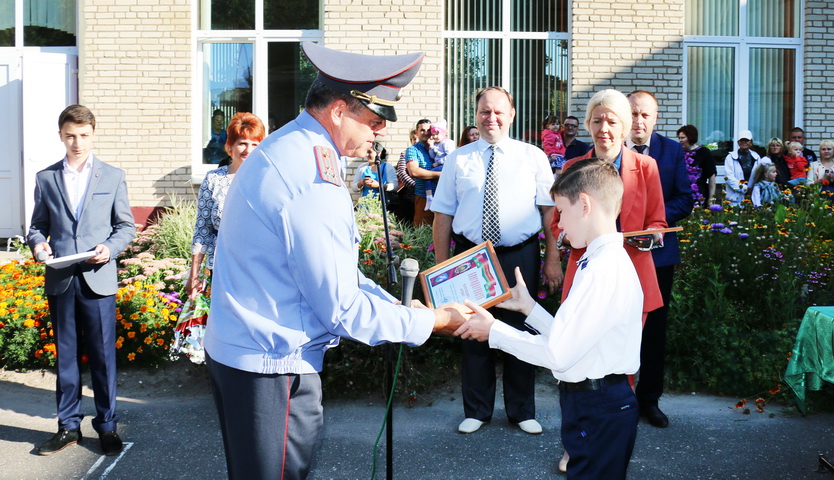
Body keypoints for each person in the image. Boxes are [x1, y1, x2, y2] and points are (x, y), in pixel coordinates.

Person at [202, 42, 466, 480]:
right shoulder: (312, 176)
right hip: (274, 369)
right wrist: (431, 322)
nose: (380, 130)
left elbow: (334, 274)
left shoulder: (291, 144)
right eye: (375, 119)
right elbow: (342, 307)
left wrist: (397, 308)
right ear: (340, 110)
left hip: (247, 356)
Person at [455, 158, 643, 480]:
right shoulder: (601, 260)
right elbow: (571, 339)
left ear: (584, 204)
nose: (558, 225)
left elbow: (559, 354)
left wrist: (494, 332)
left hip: (598, 405)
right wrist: (530, 309)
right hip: (596, 402)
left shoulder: (602, 269)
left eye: (561, 211)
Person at [431, 86, 561, 436]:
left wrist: (553, 259)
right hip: (470, 258)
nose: (492, 118)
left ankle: (521, 411)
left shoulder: (532, 156)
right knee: (472, 330)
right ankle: (477, 410)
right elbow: (442, 216)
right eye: (485, 112)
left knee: (521, 329)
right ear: (475, 115)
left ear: (512, 114)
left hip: (520, 255)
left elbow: (549, 212)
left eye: (499, 111)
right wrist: (443, 271)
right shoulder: (458, 159)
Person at [551, 88, 666, 473]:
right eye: (596, 120)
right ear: (587, 124)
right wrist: (566, 239)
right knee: (573, 358)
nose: (604, 128)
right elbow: (558, 223)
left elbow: (658, 219)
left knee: (620, 365)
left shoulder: (646, 168)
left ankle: (614, 438)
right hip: (585, 272)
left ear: (627, 126)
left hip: (634, 274)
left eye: (612, 121)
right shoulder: (572, 166)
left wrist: (654, 234)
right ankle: (575, 441)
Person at [27, 105, 136, 456]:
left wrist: (110, 248)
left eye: (84, 135)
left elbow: (126, 226)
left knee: (104, 357)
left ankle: (106, 426)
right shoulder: (46, 178)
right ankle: (68, 427)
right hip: (61, 278)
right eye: (71, 135)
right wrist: (38, 244)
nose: (77, 142)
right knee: (67, 358)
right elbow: (37, 226)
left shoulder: (113, 176)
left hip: (97, 278)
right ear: (61, 135)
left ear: (93, 134)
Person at [627, 90, 694, 429]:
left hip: (658, 256)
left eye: (645, 115)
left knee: (654, 332)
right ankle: (619, 400)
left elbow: (686, 198)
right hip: (618, 255)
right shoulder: (612, 149)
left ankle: (648, 401)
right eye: (633, 114)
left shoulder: (671, 151)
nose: (638, 121)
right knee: (617, 325)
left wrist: (653, 221)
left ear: (655, 119)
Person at [186, 113, 266, 301]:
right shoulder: (214, 179)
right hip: (221, 269)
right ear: (230, 146)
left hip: (260, 271)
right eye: (242, 143)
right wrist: (194, 274)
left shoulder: (268, 179)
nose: (248, 150)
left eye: (255, 144)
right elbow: (202, 230)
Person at [405, 118, 440, 225]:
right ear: (416, 132)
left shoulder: (439, 148)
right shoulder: (413, 150)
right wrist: (440, 175)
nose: (426, 133)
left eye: (428, 130)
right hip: (424, 198)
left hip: (442, 197)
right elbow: (414, 172)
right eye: (422, 130)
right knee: (424, 233)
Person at [677, 124, 716, 205]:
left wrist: (711, 198)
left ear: (691, 137)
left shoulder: (704, 152)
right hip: (681, 197)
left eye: (683, 138)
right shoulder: (678, 153)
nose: (680, 140)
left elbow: (711, 176)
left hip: (699, 196)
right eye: (679, 138)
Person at [723, 130, 761, 206]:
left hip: (752, 197)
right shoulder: (730, 157)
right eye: (741, 140)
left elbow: (759, 176)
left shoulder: (756, 157)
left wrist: (753, 190)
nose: (744, 142)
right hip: (734, 199)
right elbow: (729, 177)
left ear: (751, 142)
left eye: (746, 140)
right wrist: (745, 189)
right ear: (738, 142)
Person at [394, 129, 417, 224]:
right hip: (407, 196)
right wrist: (417, 187)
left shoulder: (428, 154)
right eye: (414, 139)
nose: (416, 141)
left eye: (417, 138)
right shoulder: (405, 154)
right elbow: (402, 173)